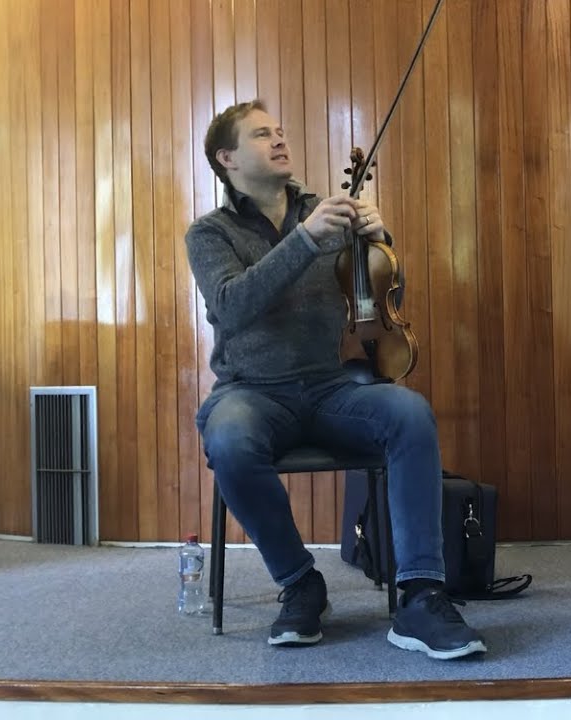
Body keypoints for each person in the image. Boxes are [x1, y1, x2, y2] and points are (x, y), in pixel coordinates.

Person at [185, 99, 485, 659]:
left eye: (280, 130)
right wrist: (304, 241)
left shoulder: (328, 212)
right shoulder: (210, 233)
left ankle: (421, 594)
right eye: (260, 135)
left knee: (409, 413)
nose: (279, 140)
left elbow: (380, 291)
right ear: (226, 157)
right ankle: (300, 583)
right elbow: (231, 305)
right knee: (227, 439)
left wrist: (377, 239)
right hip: (252, 391)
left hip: (330, 386)